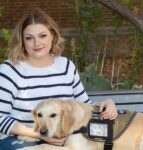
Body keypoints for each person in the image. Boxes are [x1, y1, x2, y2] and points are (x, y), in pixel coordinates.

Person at [0, 9, 117, 150]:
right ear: (22, 41)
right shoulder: (9, 70)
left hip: (62, 140)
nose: (36, 43)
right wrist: (39, 134)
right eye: (29, 38)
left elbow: (83, 104)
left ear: (53, 36)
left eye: (42, 36)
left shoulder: (65, 66)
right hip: (20, 139)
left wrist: (106, 104)